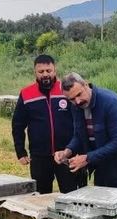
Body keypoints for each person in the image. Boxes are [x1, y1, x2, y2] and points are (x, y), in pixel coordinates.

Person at [53, 72, 117, 189]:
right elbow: (79, 135)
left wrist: (87, 158)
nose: (77, 101)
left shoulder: (111, 103)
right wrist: (67, 151)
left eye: (79, 94)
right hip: (101, 160)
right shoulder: (76, 107)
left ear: (85, 85)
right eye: (71, 99)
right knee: (101, 197)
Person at [11, 54, 85, 193]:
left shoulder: (66, 90)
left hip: (66, 154)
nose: (45, 74)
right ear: (35, 72)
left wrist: (79, 149)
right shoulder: (26, 93)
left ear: (55, 71)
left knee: (72, 195)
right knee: (41, 196)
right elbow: (18, 125)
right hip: (39, 157)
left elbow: (79, 121)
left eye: (48, 71)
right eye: (41, 72)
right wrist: (20, 151)